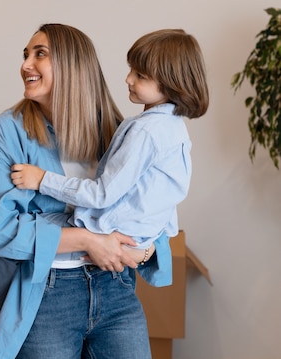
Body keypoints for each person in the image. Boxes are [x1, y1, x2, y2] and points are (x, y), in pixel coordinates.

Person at [0, 24, 173, 359]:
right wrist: (89, 240)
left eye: (40, 54)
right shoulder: (9, 130)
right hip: (47, 293)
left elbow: (154, 201)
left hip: (114, 287)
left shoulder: (117, 129)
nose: (25, 65)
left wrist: (145, 249)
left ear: (72, 65)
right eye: (25, 55)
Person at [12, 28, 210, 252]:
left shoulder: (146, 132)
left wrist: (41, 180)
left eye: (140, 76)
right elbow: (167, 202)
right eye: (131, 70)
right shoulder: (176, 129)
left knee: (29, 229)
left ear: (172, 83)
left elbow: (102, 194)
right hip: (142, 237)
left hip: (114, 233)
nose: (128, 79)